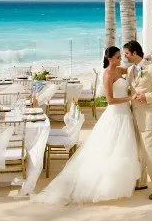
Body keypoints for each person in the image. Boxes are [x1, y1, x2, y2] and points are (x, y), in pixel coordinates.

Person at [31, 46, 140, 205]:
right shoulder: (108, 74)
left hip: (125, 115)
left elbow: (133, 69)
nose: (119, 60)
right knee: (109, 149)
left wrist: (147, 60)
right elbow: (110, 100)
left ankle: (118, 182)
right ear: (110, 59)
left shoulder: (120, 70)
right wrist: (130, 99)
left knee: (122, 150)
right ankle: (101, 185)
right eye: (117, 57)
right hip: (116, 114)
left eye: (120, 57)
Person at [123, 40, 152, 200]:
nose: (125, 56)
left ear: (135, 53)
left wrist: (147, 96)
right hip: (134, 115)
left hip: (148, 117)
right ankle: (141, 182)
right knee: (138, 151)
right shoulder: (130, 70)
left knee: (151, 152)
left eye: (127, 53)